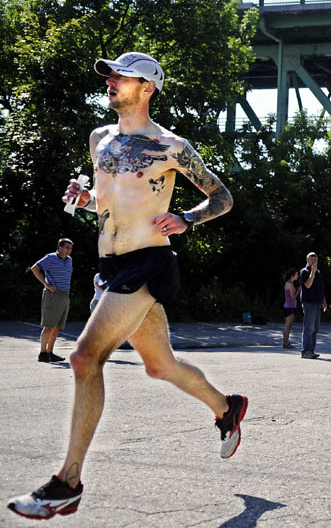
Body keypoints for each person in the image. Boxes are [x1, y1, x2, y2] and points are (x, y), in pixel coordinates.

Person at [8, 52, 246, 520]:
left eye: (123, 76)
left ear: (148, 87)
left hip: (149, 263)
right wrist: (86, 199)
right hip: (109, 267)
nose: (112, 82)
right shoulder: (100, 139)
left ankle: (67, 482)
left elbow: (222, 197)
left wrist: (186, 217)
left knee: (83, 357)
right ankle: (227, 407)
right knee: (160, 367)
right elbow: (113, 197)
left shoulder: (172, 146)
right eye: (111, 76)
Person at [30, 238, 74, 363]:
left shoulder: (69, 260)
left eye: (70, 248)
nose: (68, 250)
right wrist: (46, 284)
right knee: (48, 326)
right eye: (66, 247)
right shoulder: (50, 258)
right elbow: (34, 268)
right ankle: (42, 353)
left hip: (65, 295)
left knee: (57, 327)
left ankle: (50, 352)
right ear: (59, 247)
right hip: (52, 295)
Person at [299, 251, 327, 359]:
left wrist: (324, 301)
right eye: (312, 259)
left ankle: (311, 350)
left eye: (315, 259)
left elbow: (320, 289)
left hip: (317, 303)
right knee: (308, 328)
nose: (314, 261)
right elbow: (308, 285)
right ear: (307, 260)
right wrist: (313, 272)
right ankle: (305, 351)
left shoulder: (319, 273)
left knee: (315, 328)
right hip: (309, 303)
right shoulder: (304, 272)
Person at [282, 269, 300, 349]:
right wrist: (298, 291)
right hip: (290, 307)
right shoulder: (290, 285)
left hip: (288, 306)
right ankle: (285, 343)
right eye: (296, 274)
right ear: (292, 276)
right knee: (287, 326)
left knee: (288, 326)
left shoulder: (288, 284)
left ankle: (286, 342)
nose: (297, 276)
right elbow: (293, 297)